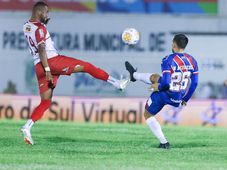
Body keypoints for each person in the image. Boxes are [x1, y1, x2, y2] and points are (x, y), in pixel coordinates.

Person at [21, 1, 129, 145]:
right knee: (87, 66)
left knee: (45, 102)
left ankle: (27, 127)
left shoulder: (26, 25)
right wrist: (48, 70)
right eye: (46, 12)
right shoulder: (40, 28)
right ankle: (117, 83)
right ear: (40, 12)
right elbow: (42, 49)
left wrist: (44, 24)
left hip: (38, 66)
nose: (48, 15)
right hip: (52, 62)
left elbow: (37, 36)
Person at [125, 34, 198, 149]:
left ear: (173, 44)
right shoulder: (192, 60)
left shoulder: (168, 60)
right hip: (178, 96)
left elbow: (166, 83)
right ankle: (134, 75)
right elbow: (194, 83)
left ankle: (164, 142)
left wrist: (157, 87)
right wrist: (185, 98)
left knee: (147, 114)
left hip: (166, 94)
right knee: (155, 77)